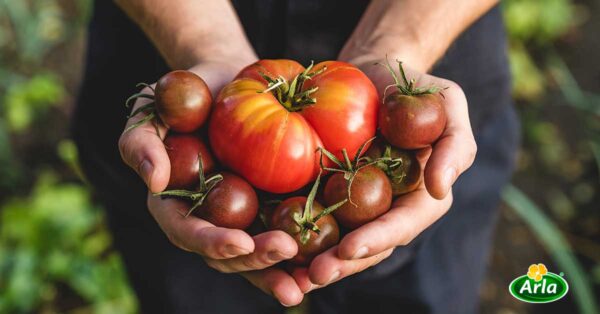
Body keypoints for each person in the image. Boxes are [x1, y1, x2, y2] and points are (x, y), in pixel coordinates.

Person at [73, 0, 520, 313]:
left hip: (433, 26)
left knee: (420, 294)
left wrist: (397, 43)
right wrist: (202, 41)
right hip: (164, 31)